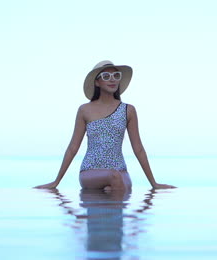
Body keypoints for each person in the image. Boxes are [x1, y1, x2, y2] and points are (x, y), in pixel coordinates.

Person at [34, 60, 175, 191]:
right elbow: (73, 148)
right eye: (106, 76)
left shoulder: (128, 110)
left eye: (116, 75)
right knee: (113, 178)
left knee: (115, 183)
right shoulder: (85, 110)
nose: (112, 79)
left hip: (120, 171)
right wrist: (56, 182)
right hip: (90, 171)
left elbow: (138, 149)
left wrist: (154, 184)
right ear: (97, 82)